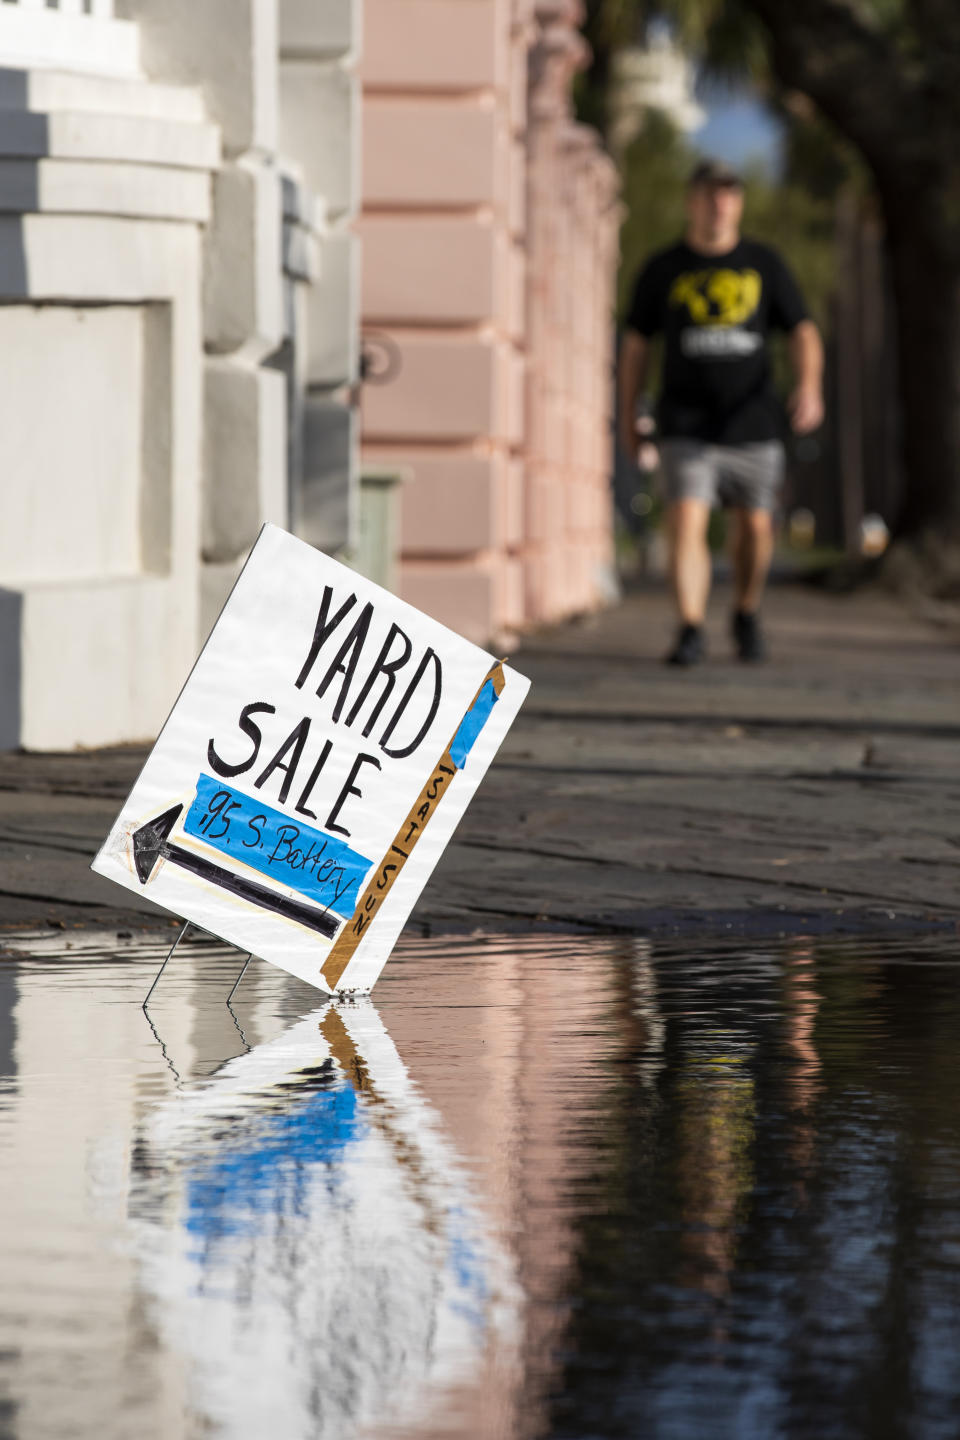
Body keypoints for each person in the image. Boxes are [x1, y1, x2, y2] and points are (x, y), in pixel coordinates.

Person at [618, 159, 824, 665]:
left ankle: (746, 610)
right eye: (710, 193)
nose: (719, 202)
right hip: (686, 422)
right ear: (691, 200)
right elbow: (636, 347)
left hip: (753, 421)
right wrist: (628, 415)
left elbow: (801, 330)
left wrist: (810, 386)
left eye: (729, 193)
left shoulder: (764, 264)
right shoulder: (664, 269)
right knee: (686, 517)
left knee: (756, 526)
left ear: (739, 202)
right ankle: (690, 626)